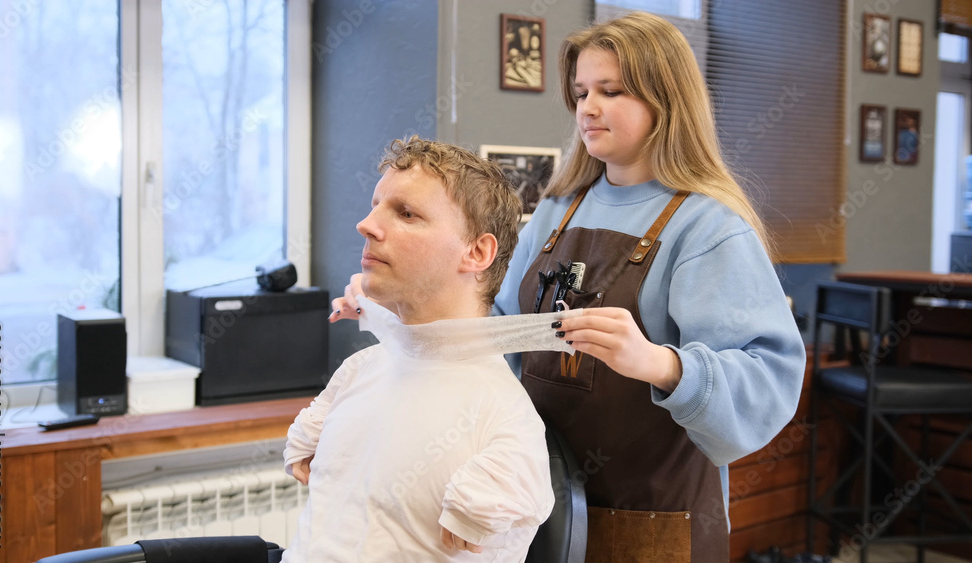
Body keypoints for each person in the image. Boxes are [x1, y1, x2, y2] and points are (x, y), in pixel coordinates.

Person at [334, 11, 806, 562]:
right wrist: (392, 309)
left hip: (652, 519)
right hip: (540, 502)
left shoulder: (709, 227)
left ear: (667, 100)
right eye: (581, 92)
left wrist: (661, 364)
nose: (588, 107)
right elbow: (492, 334)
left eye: (611, 91)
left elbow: (770, 381)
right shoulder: (558, 210)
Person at [282, 137, 556, 562]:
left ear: (477, 252)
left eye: (406, 213)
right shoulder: (359, 372)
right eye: (375, 206)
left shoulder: (503, 421)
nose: (366, 225)